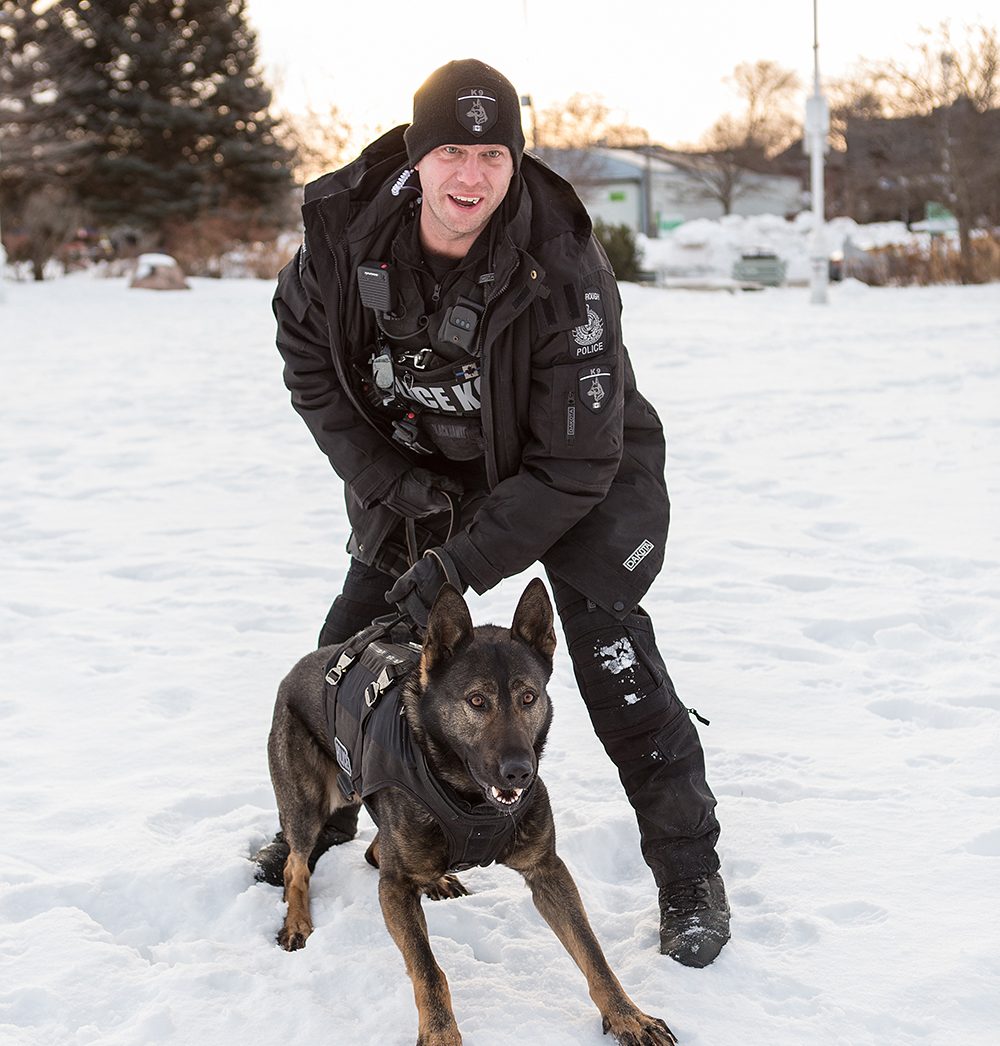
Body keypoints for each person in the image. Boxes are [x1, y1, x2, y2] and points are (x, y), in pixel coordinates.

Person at [260, 59, 730, 967]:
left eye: (491, 154)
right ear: (415, 154)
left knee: (608, 653)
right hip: (422, 462)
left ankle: (688, 873)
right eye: (449, 152)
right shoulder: (344, 239)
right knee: (354, 641)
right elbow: (307, 359)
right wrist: (392, 486)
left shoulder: (565, 268)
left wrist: (461, 564)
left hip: (573, 463)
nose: (469, 177)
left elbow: (577, 463)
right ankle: (309, 830)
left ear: (515, 162)